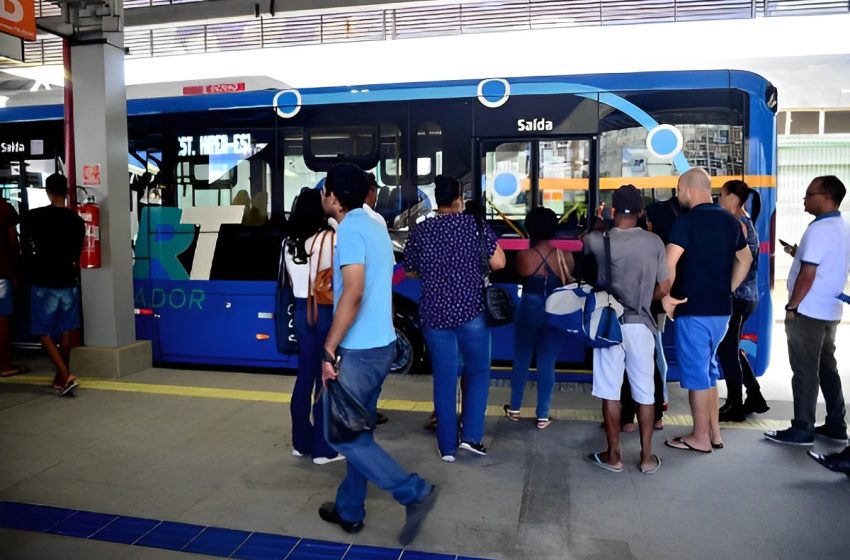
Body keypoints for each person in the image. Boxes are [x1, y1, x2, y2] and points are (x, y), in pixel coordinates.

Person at [318, 163, 436, 546]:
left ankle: (413, 492)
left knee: (341, 434)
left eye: (324, 190)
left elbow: (352, 293)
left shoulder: (351, 228)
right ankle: (350, 510)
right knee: (359, 429)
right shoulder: (375, 225)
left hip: (359, 350)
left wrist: (329, 347)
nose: (322, 196)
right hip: (381, 344)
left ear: (334, 197)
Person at [403, 175, 506, 461]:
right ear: (459, 199)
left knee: (444, 378)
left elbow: (410, 269)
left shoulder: (422, 230)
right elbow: (499, 262)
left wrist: (436, 271)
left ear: (437, 201)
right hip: (472, 311)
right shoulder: (474, 226)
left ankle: (447, 446)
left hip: (434, 314)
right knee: (478, 373)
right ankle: (471, 438)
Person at [662, 167, 752, 453]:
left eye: (678, 190)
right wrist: (728, 288)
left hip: (693, 309)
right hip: (721, 311)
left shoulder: (686, 222)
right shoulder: (730, 220)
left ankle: (699, 437)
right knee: (710, 371)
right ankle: (714, 433)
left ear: (688, 189)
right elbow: (746, 258)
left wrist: (665, 296)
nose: (678, 196)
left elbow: (669, 263)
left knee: (697, 377)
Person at [585, 185, 670, 474]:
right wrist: (645, 297)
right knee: (645, 392)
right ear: (641, 211)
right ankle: (647, 459)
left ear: (611, 210)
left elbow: (584, 251)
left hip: (608, 325)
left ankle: (614, 456)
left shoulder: (597, 240)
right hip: (641, 325)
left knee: (611, 392)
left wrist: (599, 222)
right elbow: (664, 287)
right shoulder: (654, 242)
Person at [765, 175, 849, 446]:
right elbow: (826, 263)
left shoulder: (818, 230)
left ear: (826, 196)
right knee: (827, 368)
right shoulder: (842, 226)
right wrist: (797, 253)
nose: (805, 199)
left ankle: (802, 427)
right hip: (830, 310)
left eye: (809, 194)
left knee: (804, 370)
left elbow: (808, 275)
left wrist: (792, 306)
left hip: (808, 311)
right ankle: (837, 424)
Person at [283, 188, 341, 465]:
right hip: (323, 309)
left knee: (304, 377)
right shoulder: (326, 238)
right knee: (325, 378)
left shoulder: (287, 242)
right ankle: (323, 448)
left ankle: (300, 441)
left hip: (300, 307)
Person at [505, 207, 574, 429]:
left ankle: (514, 408)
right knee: (547, 362)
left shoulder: (523, 257)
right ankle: (543, 415)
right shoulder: (566, 255)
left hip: (529, 307)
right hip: (556, 309)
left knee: (522, 358)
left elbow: (518, 273)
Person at [19, 173, 85, 396]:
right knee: (66, 328)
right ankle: (61, 376)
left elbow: (26, 251)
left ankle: (65, 375)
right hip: (67, 278)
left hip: (42, 280)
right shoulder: (77, 221)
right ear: (66, 192)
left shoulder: (32, 218)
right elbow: (77, 254)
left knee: (43, 330)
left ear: (47, 191)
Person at [716, 179, 769, 422]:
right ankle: (754, 395)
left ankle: (735, 404)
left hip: (737, 297)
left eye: (721, 195)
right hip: (746, 297)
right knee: (731, 347)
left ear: (732, 198)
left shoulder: (737, 223)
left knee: (728, 350)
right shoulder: (746, 220)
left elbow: (735, 260)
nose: (718, 199)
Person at [0, 195, 25, 378]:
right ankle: (5, 364)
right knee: (2, 320)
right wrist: (16, 270)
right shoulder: (4, 207)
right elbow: (13, 240)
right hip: (2, 272)